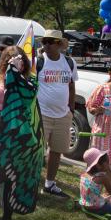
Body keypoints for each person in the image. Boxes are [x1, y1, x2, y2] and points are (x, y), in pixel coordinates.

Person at [0, 46, 44, 220]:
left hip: (17, 134)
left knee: (9, 176)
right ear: (5, 60)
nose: (18, 62)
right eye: (13, 59)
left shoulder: (27, 82)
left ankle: (7, 217)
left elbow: (29, 97)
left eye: (21, 59)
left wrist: (16, 75)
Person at [36, 29, 77, 197]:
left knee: (57, 152)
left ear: (59, 44)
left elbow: (71, 85)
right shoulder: (38, 62)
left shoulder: (69, 62)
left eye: (49, 41)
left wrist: (71, 109)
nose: (45, 45)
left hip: (63, 115)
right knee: (37, 151)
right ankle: (31, 182)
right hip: (42, 114)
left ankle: (50, 184)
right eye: (44, 41)